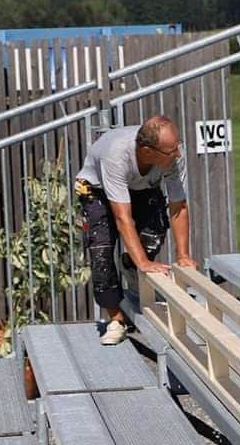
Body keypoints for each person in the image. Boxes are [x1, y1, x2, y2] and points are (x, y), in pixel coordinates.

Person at [75, 115, 196, 345]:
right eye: (171, 151)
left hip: (141, 186)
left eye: (177, 147)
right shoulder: (117, 155)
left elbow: (178, 205)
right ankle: (116, 319)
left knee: (153, 232)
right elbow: (123, 218)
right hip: (96, 189)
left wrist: (183, 255)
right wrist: (144, 264)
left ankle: (130, 264)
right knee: (101, 249)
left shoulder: (173, 155)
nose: (178, 154)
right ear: (147, 150)